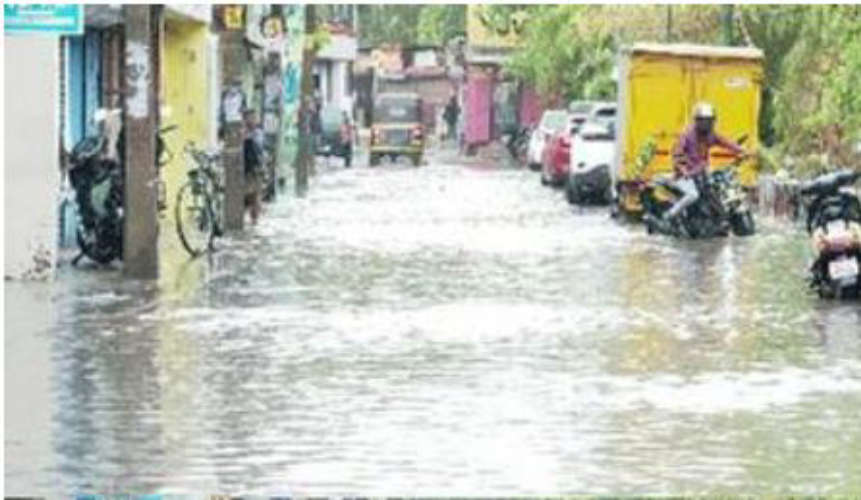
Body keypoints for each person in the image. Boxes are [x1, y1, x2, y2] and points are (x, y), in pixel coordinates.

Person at [662, 102, 748, 229]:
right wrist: (683, 169)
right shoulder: (687, 136)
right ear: (697, 121)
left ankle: (716, 219)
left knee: (713, 191)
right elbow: (677, 154)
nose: (707, 124)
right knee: (693, 195)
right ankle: (669, 216)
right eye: (704, 121)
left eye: (709, 121)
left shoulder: (710, 135)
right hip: (684, 175)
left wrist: (741, 150)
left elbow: (725, 142)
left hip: (700, 173)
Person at [242, 109, 265, 226]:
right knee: (246, 195)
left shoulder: (258, 133)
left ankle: (254, 220)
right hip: (244, 168)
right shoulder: (242, 133)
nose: (253, 120)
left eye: (255, 118)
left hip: (254, 168)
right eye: (251, 117)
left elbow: (259, 151)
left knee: (255, 195)